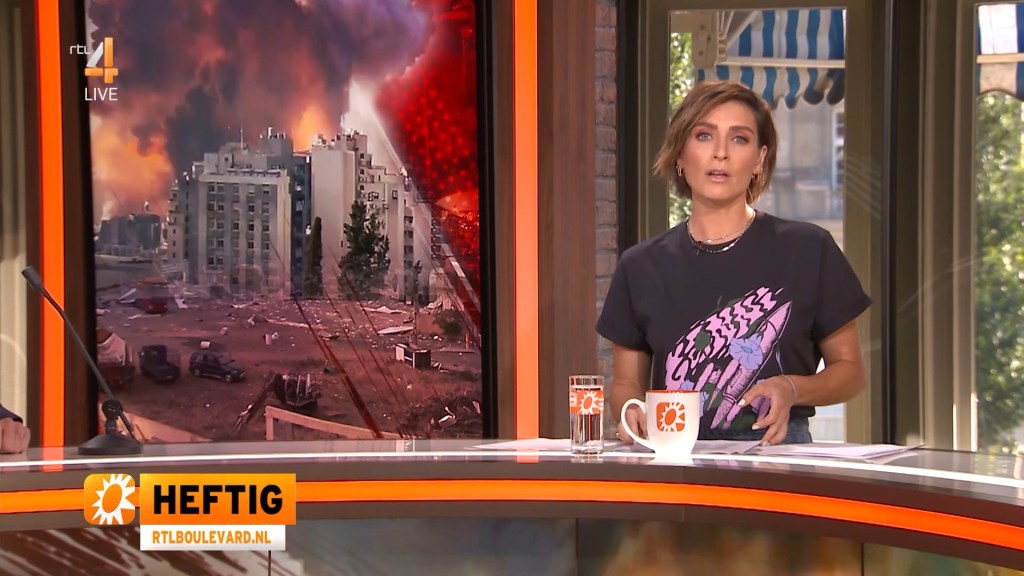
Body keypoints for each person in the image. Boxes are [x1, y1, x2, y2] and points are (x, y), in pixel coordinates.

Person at [598, 81, 871, 446]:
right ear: (680, 155)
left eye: (739, 139)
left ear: (759, 160)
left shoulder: (809, 249)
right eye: (704, 136)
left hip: (778, 458)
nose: (720, 153)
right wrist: (631, 410)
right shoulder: (639, 267)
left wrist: (792, 388)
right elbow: (627, 385)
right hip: (677, 456)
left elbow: (850, 372)